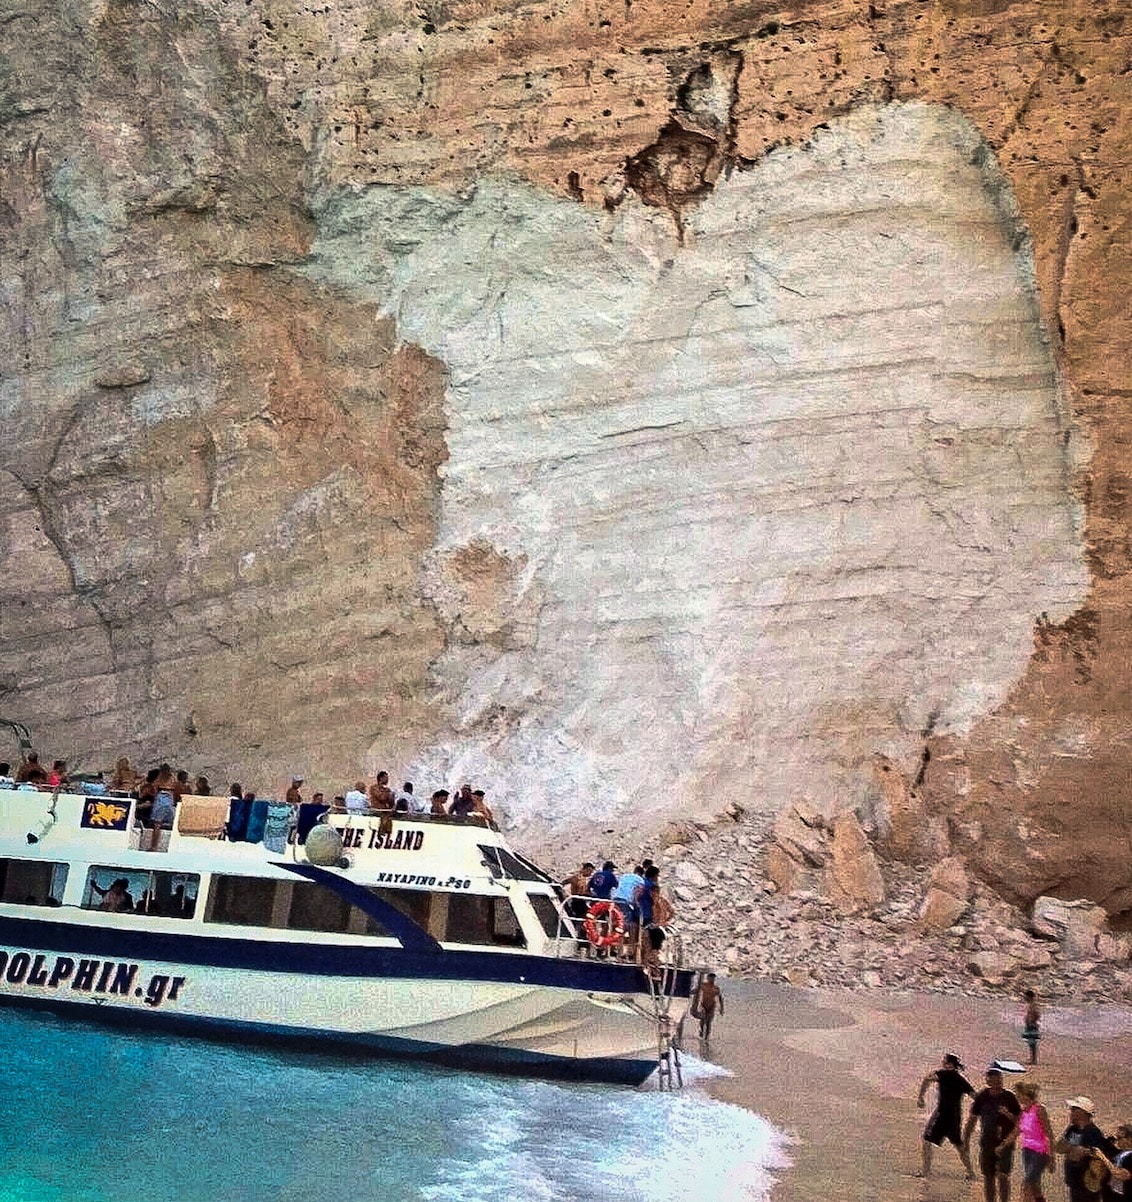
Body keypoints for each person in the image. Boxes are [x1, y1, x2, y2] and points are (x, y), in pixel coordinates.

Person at [963, 1066, 1022, 1202]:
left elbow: (1020, 1121)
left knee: (1003, 1175)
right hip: (987, 1141)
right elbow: (972, 1119)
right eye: (994, 1081)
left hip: (1005, 1141)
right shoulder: (982, 1097)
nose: (997, 1084)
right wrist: (966, 1139)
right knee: (988, 1176)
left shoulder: (1009, 1097)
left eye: (999, 1081)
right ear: (988, 1081)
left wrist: (1008, 1114)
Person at [916, 1053, 975, 1179]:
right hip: (955, 1116)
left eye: (944, 1061)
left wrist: (921, 1097)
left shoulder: (942, 1074)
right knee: (958, 1145)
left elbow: (927, 1078)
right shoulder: (961, 1079)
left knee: (927, 1140)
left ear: (949, 1064)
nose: (942, 1063)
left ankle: (925, 1172)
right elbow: (975, 1096)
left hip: (941, 1114)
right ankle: (970, 1172)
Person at [1055, 1097, 1109, 1202]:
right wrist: (1068, 1126)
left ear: (1083, 1112)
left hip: (1087, 1182)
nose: (1071, 1112)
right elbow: (1058, 1147)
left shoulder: (1093, 1132)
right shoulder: (1073, 1129)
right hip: (1074, 1178)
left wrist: (1085, 1151)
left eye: (1074, 1109)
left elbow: (1101, 1155)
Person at [1014, 1081, 1054, 1202]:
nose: (1017, 1097)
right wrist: (1003, 1145)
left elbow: (1049, 1134)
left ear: (1025, 1095)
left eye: (1018, 1095)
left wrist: (1051, 1156)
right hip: (1027, 1151)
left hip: (1040, 1151)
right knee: (1035, 1185)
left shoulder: (1039, 1110)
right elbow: (1018, 1130)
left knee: (1027, 1183)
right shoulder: (1023, 1111)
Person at [695, 973, 725, 1040]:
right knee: (702, 1021)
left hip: (711, 1006)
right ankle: (701, 1034)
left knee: (709, 1022)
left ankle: (707, 1037)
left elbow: (720, 998)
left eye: (713, 978)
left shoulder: (716, 988)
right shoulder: (703, 985)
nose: (712, 979)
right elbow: (696, 991)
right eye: (710, 978)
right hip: (703, 1005)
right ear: (707, 978)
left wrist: (722, 1008)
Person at [1107, 1123, 1132, 1199]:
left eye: (1119, 1138)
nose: (1117, 1141)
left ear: (1129, 1138)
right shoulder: (1120, 1153)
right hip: (1115, 1193)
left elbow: (1121, 1175)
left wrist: (1102, 1157)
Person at [1023, 990, 1041, 1066]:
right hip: (1030, 1025)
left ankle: (1033, 1060)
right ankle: (1032, 1059)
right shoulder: (1031, 1004)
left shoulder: (1033, 1005)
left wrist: (1032, 1021)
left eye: (1025, 996)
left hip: (1032, 1025)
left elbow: (1037, 1014)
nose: (1024, 998)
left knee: (1032, 1043)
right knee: (1031, 1043)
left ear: (1029, 997)